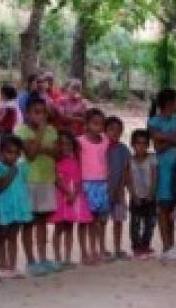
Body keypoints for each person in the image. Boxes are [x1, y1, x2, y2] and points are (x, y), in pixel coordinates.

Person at [17, 98, 60, 275]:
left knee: (42, 221)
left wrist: (40, 146)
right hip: (30, 181)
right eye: (36, 112)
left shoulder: (52, 130)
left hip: (47, 179)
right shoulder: (22, 131)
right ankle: (30, 261)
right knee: (29, 222)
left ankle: (43, 258)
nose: (41, 115)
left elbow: (57, 153)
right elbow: (31, 155)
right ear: (27, 114)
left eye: (43, 112)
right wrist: (41, 135)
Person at [148, 89, 176, 259]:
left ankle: (172, 244)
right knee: (163, 207)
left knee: (173, 207)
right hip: (162, 168)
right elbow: (158, 147)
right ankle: (166, 245)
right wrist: (173, 139)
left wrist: (166, 138)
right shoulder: (153, 121)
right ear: (169, 103)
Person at [0, 136, 33, 279]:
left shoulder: (21, 167)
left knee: (13, 237)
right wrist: (11, 172)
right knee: (1, 236)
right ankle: (3, 264)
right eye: (9, 152)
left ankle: (12, 265)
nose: (13, 156)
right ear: (1, 152)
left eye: (17, 153)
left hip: (17, 208)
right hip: (4, 207)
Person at [52, 131, 92, 266]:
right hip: (62, 196)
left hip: (75, 195)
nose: (66, 147)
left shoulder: (76, 160)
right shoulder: (56, 161)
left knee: (69, 227)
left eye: (68, 144)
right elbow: (57, 179)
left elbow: (79, 179)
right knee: (59, 228)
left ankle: (67, 258)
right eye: (62, 144)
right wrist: (68, 192)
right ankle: (57, 257)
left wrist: (74, 194)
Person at [78, 108, 112, 263]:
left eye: (101, 124)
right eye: (95, 123)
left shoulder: (105, 140)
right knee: (85, 220)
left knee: (97, 220)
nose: (98, 127)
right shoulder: (80, 141)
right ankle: (84, 252)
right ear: (86, 124)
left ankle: (95, 249)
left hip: (102, 183)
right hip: (87, 184)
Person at [105, 117, 132, 260]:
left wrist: (120, 188)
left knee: (118, 220)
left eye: (118, 130)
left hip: (119, 190)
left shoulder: (123, 149)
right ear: (105, 130)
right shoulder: (101, 148)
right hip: (103, 190)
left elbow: (125, 170)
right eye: (111, 129)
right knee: (101, 221)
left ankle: (117, 248)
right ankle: (101, 248)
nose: (115, 133)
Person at [128, 129, 158, 259]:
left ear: (148, 145)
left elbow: (155, 176)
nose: (141, 146)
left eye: (144, 143)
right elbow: (128, 179)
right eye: (138, 143)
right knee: (135, 223)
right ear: (133, 144)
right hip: (136, 196)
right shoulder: (130, 160)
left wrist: (151, 193)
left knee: (149, 223)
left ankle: (145, 245)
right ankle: (136, 246)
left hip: (149, 196)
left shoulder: (152, 158)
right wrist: (133, 194)